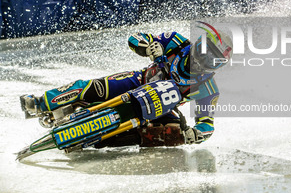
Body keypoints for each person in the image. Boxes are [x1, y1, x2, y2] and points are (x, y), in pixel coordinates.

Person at [21, 27, 233, 147]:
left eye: (214, 61)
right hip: (139, 80)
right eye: (207, 54)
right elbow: (136, 37)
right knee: (90, 87)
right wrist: (147, 46)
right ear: (199, 45)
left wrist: (195, 134)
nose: (205, 62)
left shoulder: (209, 89)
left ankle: (107, 139)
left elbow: (207, 124)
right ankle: (41, 103)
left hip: (161, 108)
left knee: (175, 133)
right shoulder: (176, 42)